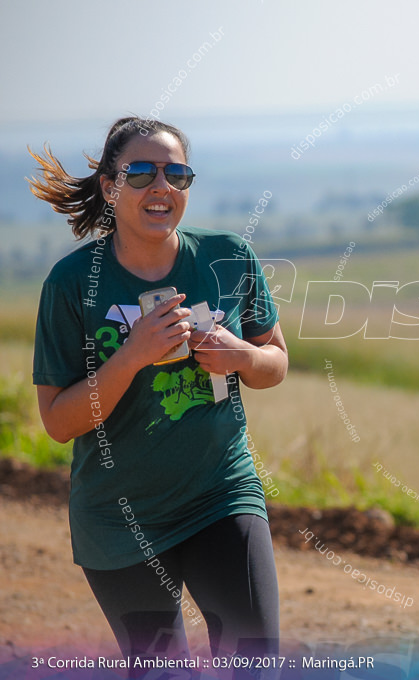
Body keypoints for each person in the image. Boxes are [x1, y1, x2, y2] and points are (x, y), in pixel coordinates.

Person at [29, 117, 287, 672]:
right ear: (109, 187)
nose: (160, 187)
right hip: (120, 519)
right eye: (141, 172)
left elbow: (276, 364)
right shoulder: (72, 284)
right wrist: (132, 355)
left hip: (221, 492)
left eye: (177, 174)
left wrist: (242, 356)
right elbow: (57, 421)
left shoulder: (228, 256)